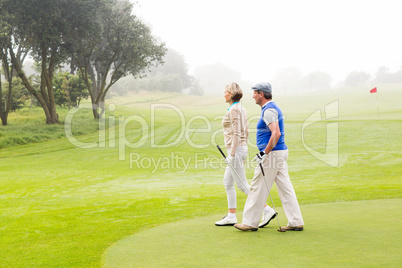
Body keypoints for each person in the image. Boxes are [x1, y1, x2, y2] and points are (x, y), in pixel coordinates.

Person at [234, 82, 304, 231]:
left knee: (257, 187)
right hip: (278, 153)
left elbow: (276, 133)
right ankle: (296, 221)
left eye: (255, 93)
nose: (252, 95)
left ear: (261, 94)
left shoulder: (269, 110)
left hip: (272, 155)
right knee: (286, 188)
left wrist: (264, 153)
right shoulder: (269, 108)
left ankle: (249, 223)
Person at [215, 82, 277, 227]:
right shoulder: (239, 108)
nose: (224, 94)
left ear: (231, 93)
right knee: (228, 182)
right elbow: (246, 131)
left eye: (225, 92)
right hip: (239, 150)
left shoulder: (234, 110)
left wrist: (232, 153)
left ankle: (267, 209)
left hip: (236, 150)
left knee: (242, 185)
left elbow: (238, 133)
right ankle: (231, 215)